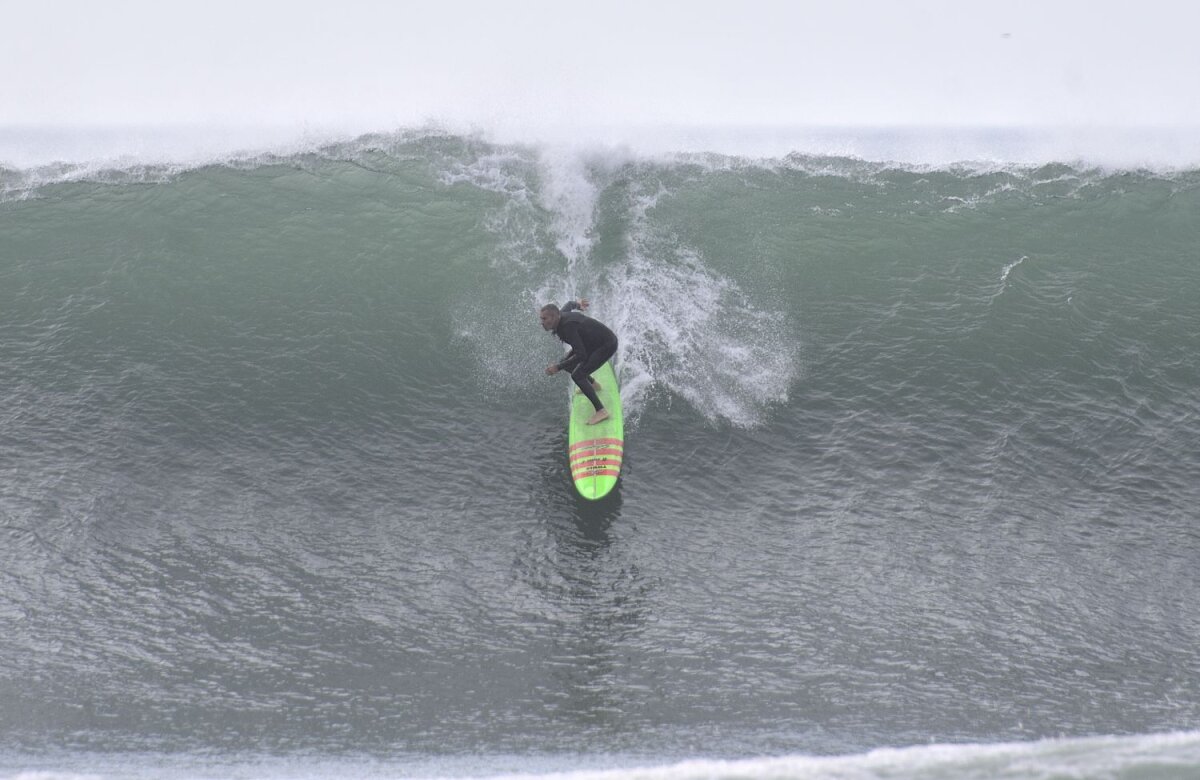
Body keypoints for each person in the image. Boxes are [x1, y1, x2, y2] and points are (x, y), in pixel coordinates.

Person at [540, 297, 618, 425]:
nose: (541, 322)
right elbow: (569, 304)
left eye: (544, 319)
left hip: (606, 344)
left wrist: (557, 367)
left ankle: (601, 411)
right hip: (592, 343)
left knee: (577, 375)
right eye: (541, 318)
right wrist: (578, 304)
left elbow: (581, 354)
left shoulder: (567, 327)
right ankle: (592, 384)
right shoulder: (560, 315)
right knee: (566, 363)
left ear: (554, 317)